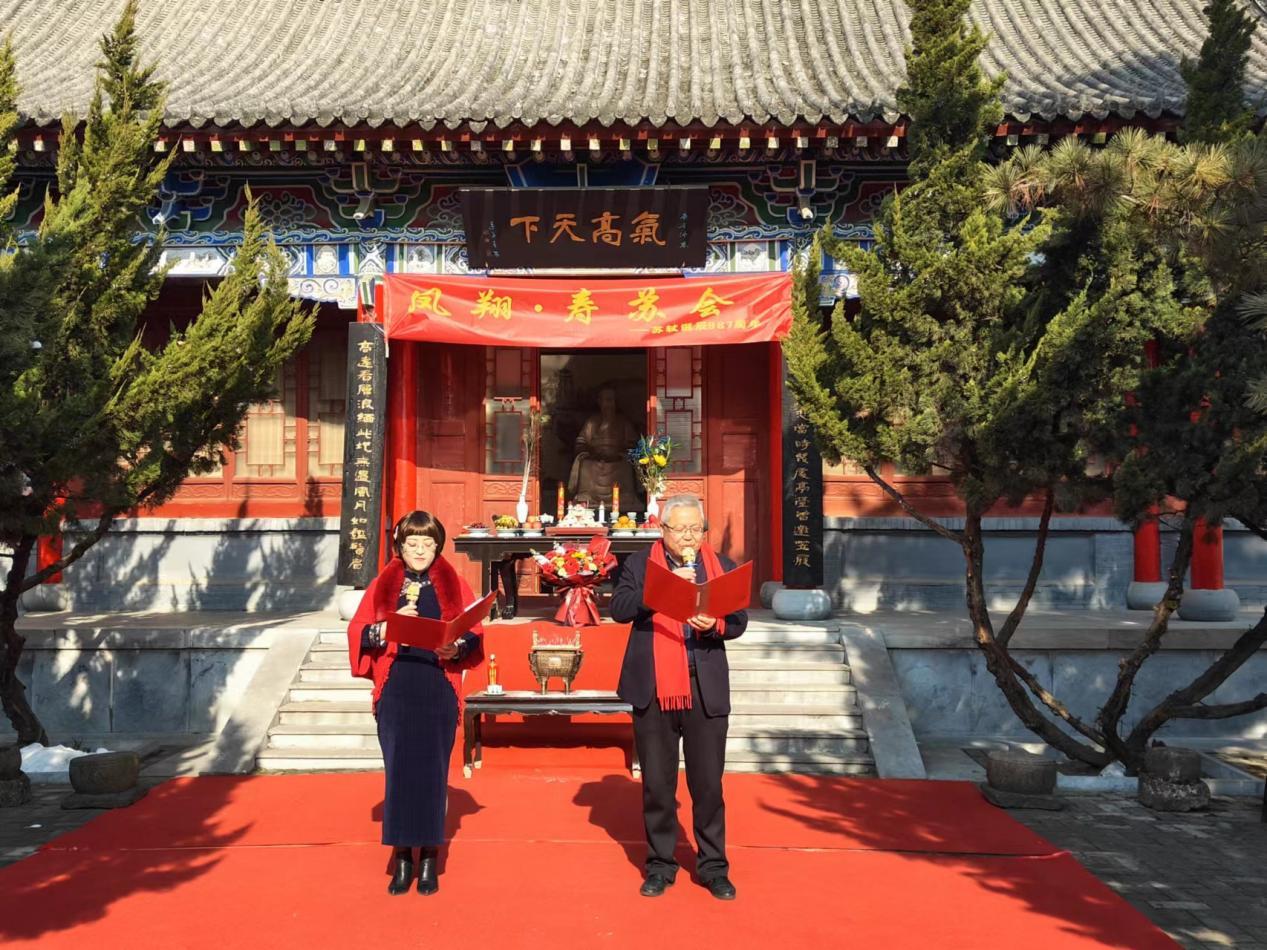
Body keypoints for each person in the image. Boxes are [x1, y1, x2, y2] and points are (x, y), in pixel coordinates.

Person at [608, 493, 748, 901]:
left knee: (708, 785)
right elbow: (619, 608)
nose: (688, 537)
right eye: (680, 529)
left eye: (695, 529)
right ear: (662, 529)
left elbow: (738, 621)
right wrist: (661, 593)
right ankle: (660, 865)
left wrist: (714, 625)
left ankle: (714, 867)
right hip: (655, 689)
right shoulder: (639, 564)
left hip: (704, 687)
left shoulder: (720, 566)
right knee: (657, 784)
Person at [347, 510, 484, 895]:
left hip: (437, 686)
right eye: (412, 543)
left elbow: (473, 630)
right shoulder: (383, 584)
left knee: (432, 773)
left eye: (428, 543)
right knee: (400, 772)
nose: (420, 550)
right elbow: (358, 631)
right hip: (397, 688)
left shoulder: (454, 583)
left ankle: (428, 860)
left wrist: (457, 646)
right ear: (400, 546)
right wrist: (387, 627)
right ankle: (402, 858)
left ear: (438, 546)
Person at [567, 385, 640, 507]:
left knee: (626, 466)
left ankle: (625, 496)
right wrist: (592, 454)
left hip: (617, 460)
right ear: (599, 402)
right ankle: (586, 496)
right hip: (595, 459)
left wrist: (619, 453)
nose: (609, 404)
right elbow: (581, 441)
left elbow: (633, 443)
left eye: (612, 400)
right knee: (585, 465)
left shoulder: (623, 422)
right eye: (606, 400)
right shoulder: (592, 422)